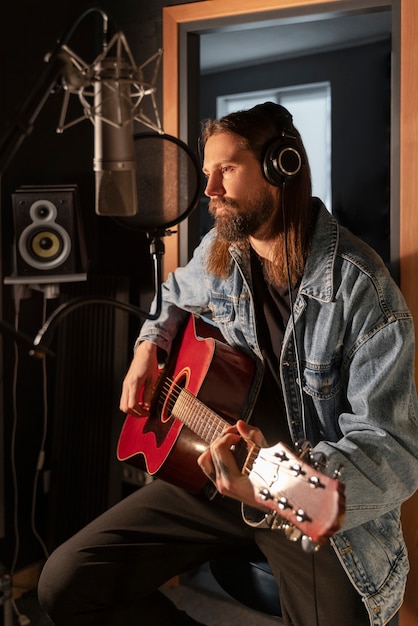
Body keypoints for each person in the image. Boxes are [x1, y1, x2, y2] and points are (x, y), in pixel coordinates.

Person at [38, 102, 418, 626]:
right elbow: (172, 295)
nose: (209, 189)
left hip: (295, 495)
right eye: (207, 173)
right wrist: (148, 346)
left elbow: (394, 453)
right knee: (66, 584)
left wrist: (271, 483)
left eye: (227, 170)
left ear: (280, 168)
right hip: (211, 478)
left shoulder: (362, 289)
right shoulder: (222, 248)